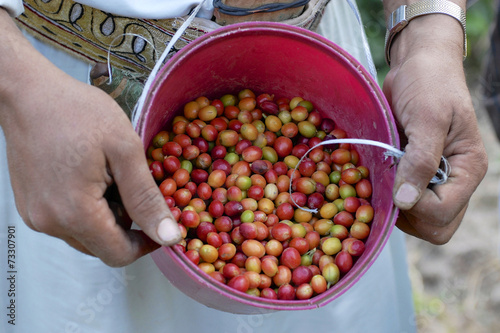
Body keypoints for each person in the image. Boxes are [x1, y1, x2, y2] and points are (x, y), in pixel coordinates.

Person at [0, 0, 487, 332]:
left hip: (316, 63)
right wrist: (18, 86)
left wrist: (428, 31)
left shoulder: (306, 177)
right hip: (59, 100)